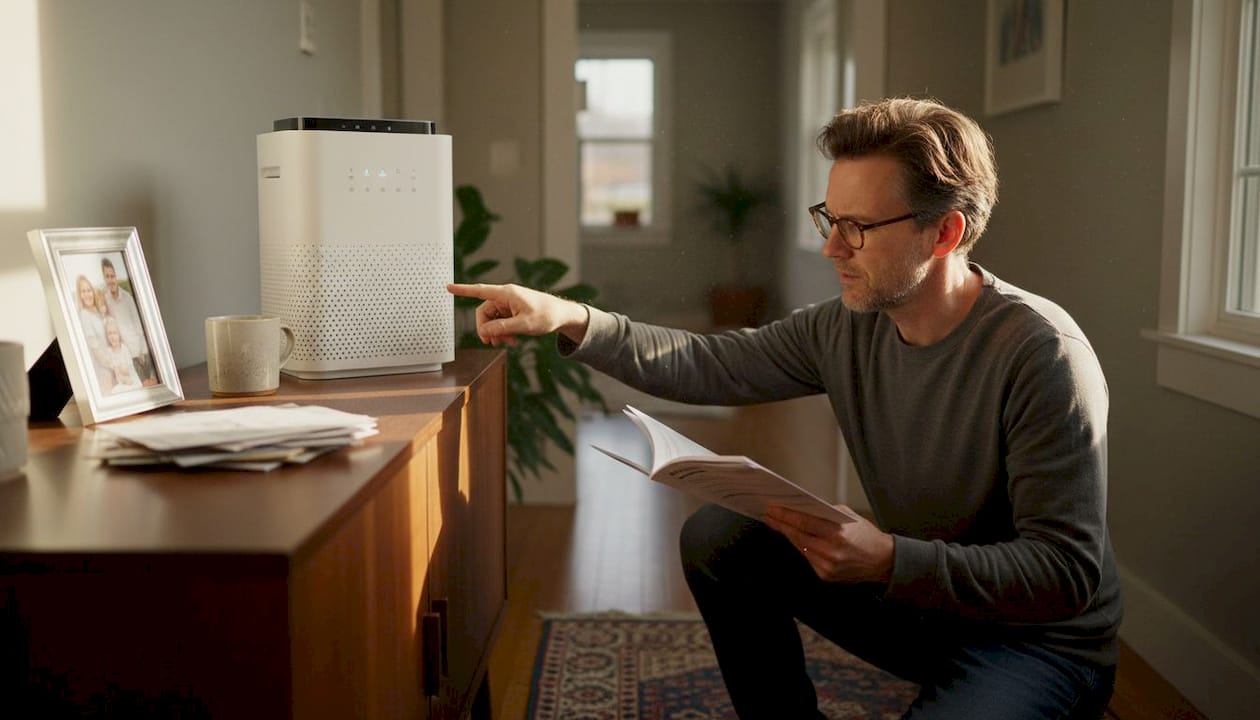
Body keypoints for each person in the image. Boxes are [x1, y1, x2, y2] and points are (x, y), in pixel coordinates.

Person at [448, 96, 1120, 719]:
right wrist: (570, 317)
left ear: (943, 233)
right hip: (920, 604)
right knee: (719, 537)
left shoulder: (1041, 356)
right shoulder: (846, 327)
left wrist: (890, 559)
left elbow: (1065, 573)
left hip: (1036, 643)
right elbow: (709, 362)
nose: (832, 247)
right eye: (830, 219)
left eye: (857, 228)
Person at [100, 257, 156, 386]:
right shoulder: (106, 301)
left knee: (152, 383)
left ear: (116, 277)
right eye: (107, 277)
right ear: (104, 279)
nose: (110, 280)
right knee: (140, 385)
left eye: (112, 276)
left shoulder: (127, 298)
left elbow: (138, 326)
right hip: (125, 355)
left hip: (139, 351)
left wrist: (141, 350)